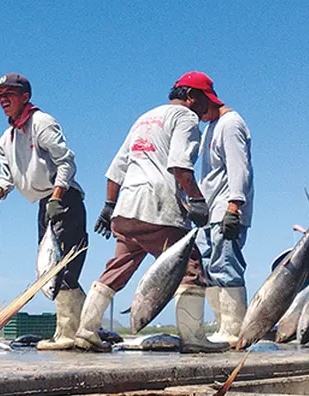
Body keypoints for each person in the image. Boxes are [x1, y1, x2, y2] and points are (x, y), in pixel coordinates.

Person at [75, 72, 229, 354]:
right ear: (191, 96)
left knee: (118, 267)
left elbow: (116, 168)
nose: (205, 108)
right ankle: (193, 338)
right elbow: (180, 164)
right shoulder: (185, 118)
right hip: (159, 207)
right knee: (190, 268)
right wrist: (196, 199)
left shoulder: (144, 118)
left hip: (127, 209)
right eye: (204, 101)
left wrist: (109, 206)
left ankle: (86, 331)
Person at [0, 73, 88, 351]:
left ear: (26, 97)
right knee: (51, 268)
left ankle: (68, 334)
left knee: (63, 268)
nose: (3, 99)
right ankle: (78, 329)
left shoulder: (41, 122)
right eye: (0, 94)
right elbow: (6, 176)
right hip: (44, 204)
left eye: (10, 93)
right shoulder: (6, 138)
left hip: (63, 199)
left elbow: (66, 162)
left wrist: (57, 196)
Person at [196, 80, 254, 346]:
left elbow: (238, 167)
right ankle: (222, 326)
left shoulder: (230, 124)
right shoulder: (210, 127)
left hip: (225, 210)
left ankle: (234, 329)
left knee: (226, 265)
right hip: (210, 213)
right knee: (209, 268)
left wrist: (234, 206)